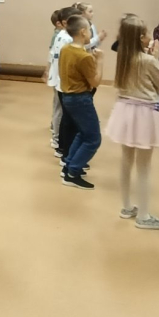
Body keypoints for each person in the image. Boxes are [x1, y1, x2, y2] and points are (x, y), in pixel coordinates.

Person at [104, 15, 159, 228]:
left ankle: (126, 206)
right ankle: (144, 216)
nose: (150, 36)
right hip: (144, 112)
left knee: (126, 160)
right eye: (147, 33)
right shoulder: (148, 61)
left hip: (124, 110)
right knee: (144, 166)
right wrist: (156, 58)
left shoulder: (124, 57)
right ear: (141, 38)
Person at [58, 15, 105, 190]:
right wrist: (100, 62)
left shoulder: (66, 49)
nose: (91, 33)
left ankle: (69, 165)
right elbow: (95, 82)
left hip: (68, 96)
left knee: (83, 133)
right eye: (90, 30)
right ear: (83, 31)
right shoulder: (84, 57)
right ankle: (73, 173)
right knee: (93, 138)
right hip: (80, 99)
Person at [45, 7, 77, 155]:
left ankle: (57, 137)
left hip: (58, 78)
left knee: (59, 109)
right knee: (61, 111)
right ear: (65, 22)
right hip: (62, 79)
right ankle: (58, 139)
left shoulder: (62, 34)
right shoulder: (66, 38)